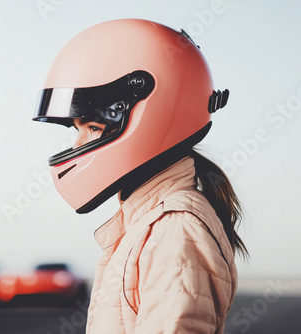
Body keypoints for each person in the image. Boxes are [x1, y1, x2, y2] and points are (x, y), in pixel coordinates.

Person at [32, 19, 247, 334]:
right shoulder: (150, 223)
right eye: (77, 130)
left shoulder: (175, 229)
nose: (77, 145)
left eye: (92, 128)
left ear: (145, 111)